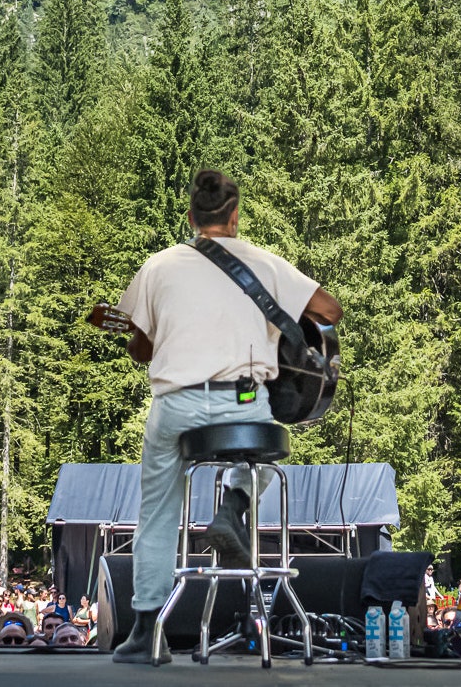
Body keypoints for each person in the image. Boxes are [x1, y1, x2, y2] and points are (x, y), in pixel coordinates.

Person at [111, 169, 343, 665]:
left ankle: (147, 633)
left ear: (192, 216)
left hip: (176, 403)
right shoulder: (265, 262)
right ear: (235, 217)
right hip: (241, 401)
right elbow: (330, 311)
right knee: (264, 449)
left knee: (156, 512)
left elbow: (139, 349)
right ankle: (233, 507)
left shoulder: (157, 267)